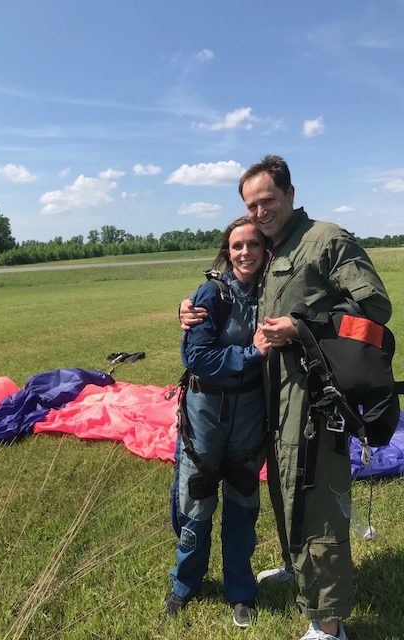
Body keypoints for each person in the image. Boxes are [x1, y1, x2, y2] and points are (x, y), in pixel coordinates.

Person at [180, 155, 392, 640]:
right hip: (274, 401)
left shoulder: (325, 240)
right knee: (284, 493)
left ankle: (328, 624)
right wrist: (192, 310)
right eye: (251, 205)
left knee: (314, 502)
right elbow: (235, 291)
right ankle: (297, 571)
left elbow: (377, 309)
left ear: (291, 194)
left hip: (314, 402)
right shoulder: (273, 251)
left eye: (268, 200)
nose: (260, 211)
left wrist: (303, 327)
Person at [165, 217, 271, 628]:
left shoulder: (272, 292)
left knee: (243, 499)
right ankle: (185, 582)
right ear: (227, 251)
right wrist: (251, 355)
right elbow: (197, 357)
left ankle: (241, 589)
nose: (245, 252)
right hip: (205, 414)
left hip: (248, 414)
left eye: (254, 245)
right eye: (237, 246)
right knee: (197, 496)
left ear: (265, 250)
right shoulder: (212, 292)